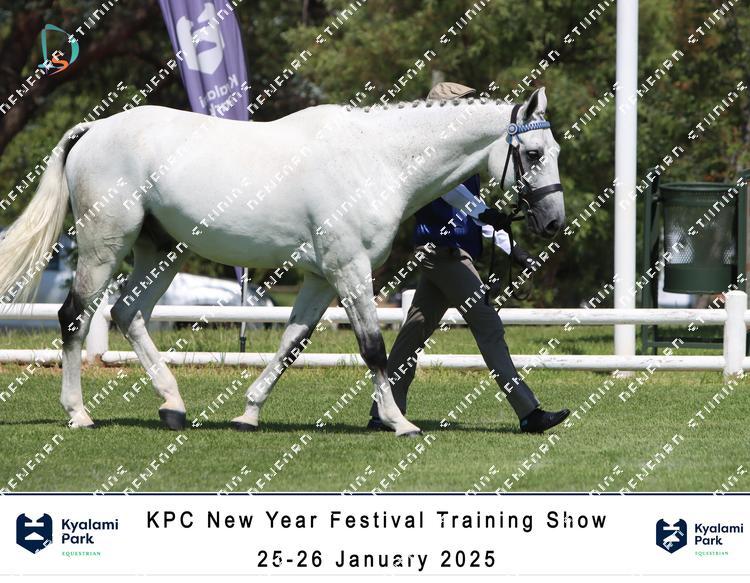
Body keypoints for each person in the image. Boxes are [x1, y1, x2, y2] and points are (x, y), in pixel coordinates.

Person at [367, 82, 569, 434]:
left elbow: (475, 215)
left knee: (413, 334)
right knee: (488, 326)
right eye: (462, 105)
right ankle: (529, 412)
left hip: (447, 253)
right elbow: (452, 196)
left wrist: (514, 249)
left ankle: (382, 411)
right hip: (441, 253)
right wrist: (485, 213)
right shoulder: (431, 155)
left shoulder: (461, 157)